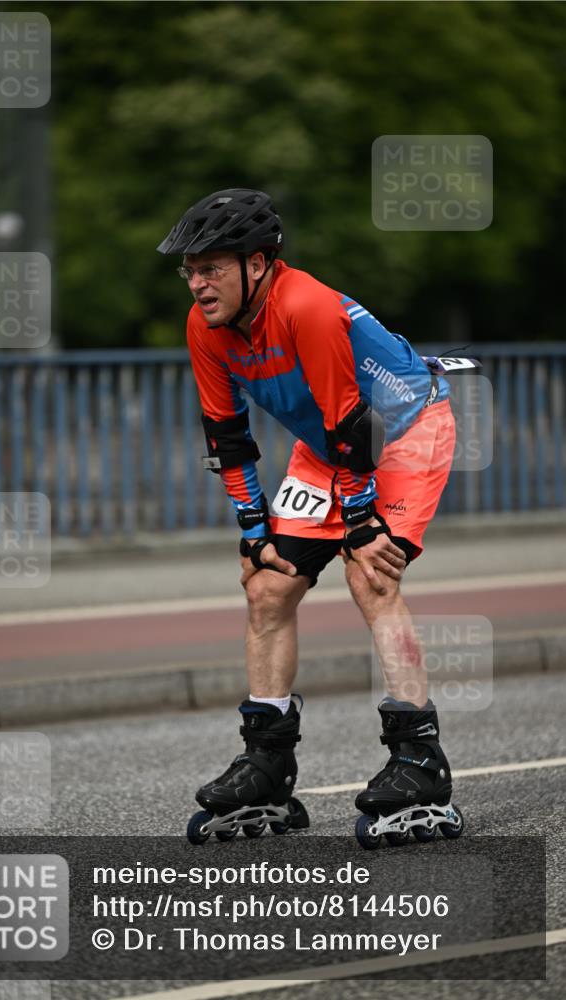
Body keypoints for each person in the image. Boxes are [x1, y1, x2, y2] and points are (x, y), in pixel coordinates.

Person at [157, 189, 463, 847]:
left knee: (370, 575)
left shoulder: (308, 306)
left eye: (211, 266)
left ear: (259, 263)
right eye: (190, 268)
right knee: (265, 584)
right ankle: (267, 762)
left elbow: (353, 421)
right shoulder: (204, 326)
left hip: (405, 428)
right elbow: (227, 434)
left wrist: (359, 522)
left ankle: (418, 762)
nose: (196, 281)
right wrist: (251, 525)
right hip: (332, 443)